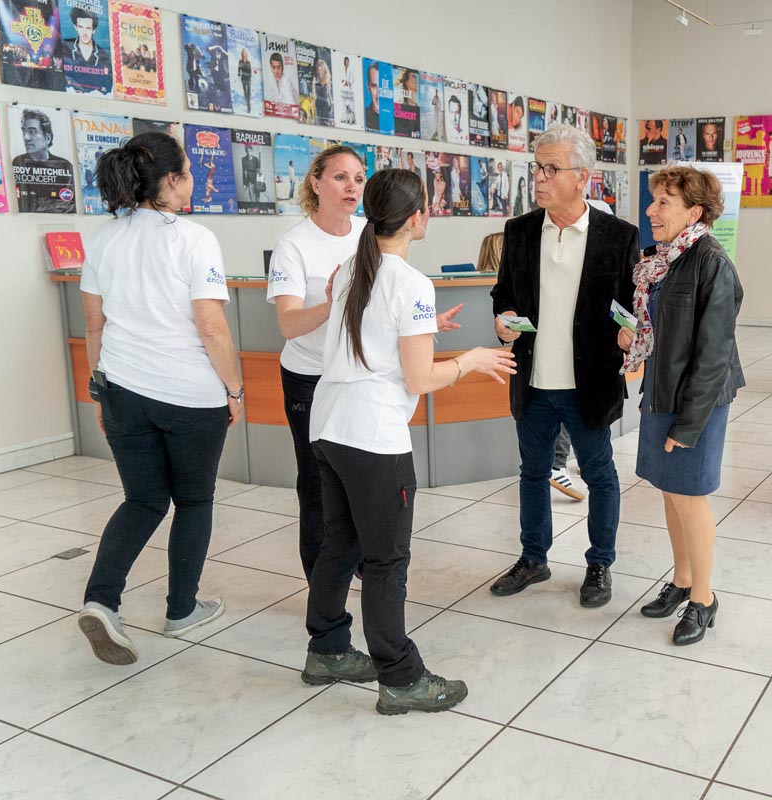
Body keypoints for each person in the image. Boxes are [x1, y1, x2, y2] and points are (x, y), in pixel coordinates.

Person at [301, 168, 515, 712]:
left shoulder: (351, 269)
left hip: (329, 427)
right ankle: (399, 676)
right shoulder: (410, 282)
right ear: (417, 217)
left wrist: (424, 327)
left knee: (339, 545)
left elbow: (372, 332)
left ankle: (327, 649)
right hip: (373, 437)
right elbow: (420, 379)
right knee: (386, 560)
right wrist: (470, 360)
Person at [76, 132, 243, 665]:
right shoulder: (194, 238)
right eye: (187, 171)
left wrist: (100, 393)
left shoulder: (103, 238)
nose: (191, 179)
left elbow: (94, 326)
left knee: (143, 500)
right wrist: (234, 389)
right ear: (171, 181)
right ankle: (181, 610)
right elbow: (212, 328)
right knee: (193, 500)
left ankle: (101, 601)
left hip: (122, 390)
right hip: (189, 395)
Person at [269, 145, 464, 580]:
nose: (351, 187)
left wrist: (420, 324)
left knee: (360, 490)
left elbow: (384, 304)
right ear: (315, 183)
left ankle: (356, 564)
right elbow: (287, 324)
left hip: (357, 381)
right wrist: (332, 304)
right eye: (340, 177)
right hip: (312, 379)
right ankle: (322, 578)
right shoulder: (294, 244)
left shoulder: (369, 230)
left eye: (359, 178)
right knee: (318, 487)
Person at [489, 125, 637, 607]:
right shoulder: (519, 231)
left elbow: (632, 306)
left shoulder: (618, 236)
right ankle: (534, 558)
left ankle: (600, 563)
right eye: (537, 167)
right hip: (533, 380)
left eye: (552, 169)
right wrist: (503, 321)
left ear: (583, 178)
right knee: (532, 473)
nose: (540, 177)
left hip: (587, 383)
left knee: (600, 474)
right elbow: (503, 295)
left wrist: (632, 333)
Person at [624, 166, 744, 645]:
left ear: (694, 212)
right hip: (663, 390)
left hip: (698, 401)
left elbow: (714, 355)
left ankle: (703, 598)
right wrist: (633, 336)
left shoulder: (711, 262)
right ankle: (681, 580)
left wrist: (689, 425)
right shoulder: (665, 259)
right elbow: (664, 330)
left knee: (690, 497)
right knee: (670, 491)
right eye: (653, 200)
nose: (651, 210)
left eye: (663, 202)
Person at [12, 109, 76, 214]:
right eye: (24, 131)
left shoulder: (64, 166)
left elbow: (68, 206)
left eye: (32, 132)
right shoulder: (18, 162)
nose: (26, 137)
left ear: (47, 138)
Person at [62, 6, 112, 94]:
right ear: (75, 27)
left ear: (94, 30)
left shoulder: (104, 56)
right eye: (81, 27)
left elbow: (106, 88)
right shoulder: (65, 48)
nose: (84, 33)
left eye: (88, 28)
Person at [314, 57, 334, 126]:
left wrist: (331, 105)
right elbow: (313, 92)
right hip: (318, 104)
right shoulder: (315, 79)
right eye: (318, 69)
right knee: (318, 123)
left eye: (321, 69)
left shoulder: (327, 81)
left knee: (325, 123)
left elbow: (329, 95)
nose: (319, 72)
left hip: (325, 105)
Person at [364, 62, 381, 131]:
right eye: (374, 86)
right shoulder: (363, 117)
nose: (378, 94)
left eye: (382, 87)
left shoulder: (401, 119)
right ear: (368, 87)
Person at [238, 48, 253, 113]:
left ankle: (249, 107)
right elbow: (239, 69)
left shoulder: (248, 62)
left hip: (248, 79)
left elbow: (250, 71)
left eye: (245, 52)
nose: (244, 54)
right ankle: (248, 106)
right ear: (242, 54)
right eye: (243, 52)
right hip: (243, 79)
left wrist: (249, 76)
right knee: (245, 93)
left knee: (248, 94)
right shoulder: (240, 61)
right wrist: (239, 74)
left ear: (246, 54)